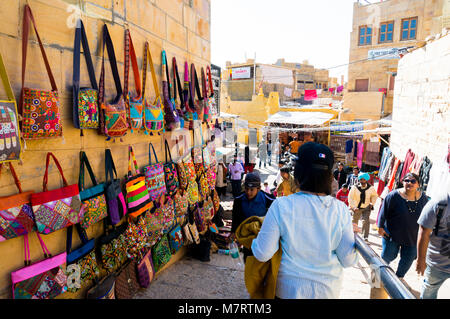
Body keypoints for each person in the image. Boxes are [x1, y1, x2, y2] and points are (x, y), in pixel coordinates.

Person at [251, 142, 358, 299]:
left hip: (288, 291)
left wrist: (254, 238)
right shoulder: (340, 210)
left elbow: (262, 253)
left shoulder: (281, 205)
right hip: (327, 292)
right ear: (330, 176)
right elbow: (348, 260)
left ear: (299, 172)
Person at [377, 172, 429, 279]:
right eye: (407, 181)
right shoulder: (393, 196)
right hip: (392, 235)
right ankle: (378, 277)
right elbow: (383, 211)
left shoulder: (423, 198)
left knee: (408, 259)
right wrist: (380, 227)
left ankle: (399, 278)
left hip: (413, 237)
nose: (409, 183)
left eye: (413, 181)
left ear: (418, 184)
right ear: (403, 182)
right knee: (387, 257)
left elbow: (428, 216)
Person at [231, 173, 276, 260]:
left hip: (263, 237)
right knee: (248, 260)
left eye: (252, 190)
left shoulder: (268, 199)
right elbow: (235, 216)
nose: (248, 192)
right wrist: (233, 232)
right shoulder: (239, 200)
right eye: (246, 189)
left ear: (258, 188)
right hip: (247, 238)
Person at [416, 191, 449, 299]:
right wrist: (420, 259)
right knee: (430, 290)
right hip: (438, 263)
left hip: (437, 262)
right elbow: (424, 231)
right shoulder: (439, 202)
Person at [348, 172, 378, 241]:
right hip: (356, 208)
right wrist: (353, 207)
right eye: (361, 179)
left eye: (364, 180)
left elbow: (374, 196)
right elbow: (350, 198)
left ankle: (365, 237)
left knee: (366, 221)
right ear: (359, 180)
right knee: (354, 221)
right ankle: (353, 236)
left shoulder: (371, 188)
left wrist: (372, 203)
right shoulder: (354, 188)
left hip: (366, 207)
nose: (362, 181)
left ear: (366, 180)